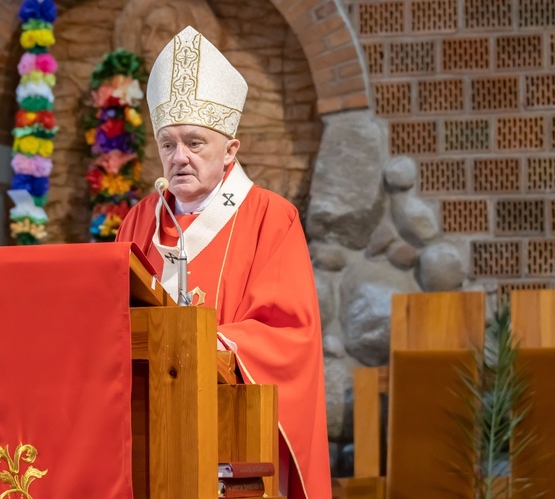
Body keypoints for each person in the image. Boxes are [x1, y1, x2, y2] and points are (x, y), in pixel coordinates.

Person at [115, 26, 331, 499]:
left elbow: (288, 332)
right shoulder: (138, 221)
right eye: (168, 144)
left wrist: (205, 341)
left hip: (229, 428)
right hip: (147, 432)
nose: (179, 158)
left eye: (195, 143)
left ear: (231, 149)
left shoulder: (271, 218)